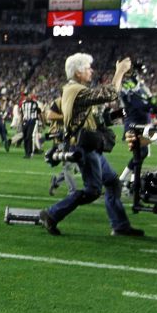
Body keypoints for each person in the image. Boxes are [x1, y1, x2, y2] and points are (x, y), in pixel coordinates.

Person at [38, 53, 144, 238]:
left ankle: (120, 226)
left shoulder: (76, 90)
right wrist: (119, 71)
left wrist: (112, 116)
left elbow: (92, 120)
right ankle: (52, 214)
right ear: (78, 72)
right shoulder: (75, 90)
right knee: (93, 191)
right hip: (84, 148)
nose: (91, 70)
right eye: (88, 68)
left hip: (90, 145)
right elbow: (110, 93)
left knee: (112, 183)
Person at [19, 93, 41, 158]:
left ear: (31, 96)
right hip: (25, 121)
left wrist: (41, 122)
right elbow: (22, 113)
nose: (27, 97)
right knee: (25, 137)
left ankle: (30, 152)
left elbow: (39, 112)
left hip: (32, 121)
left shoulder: (35, 103)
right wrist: (21, 123)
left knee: (29, 136)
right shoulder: (23, 104)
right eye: (25, 96)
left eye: (28, 95)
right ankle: (26, 153)